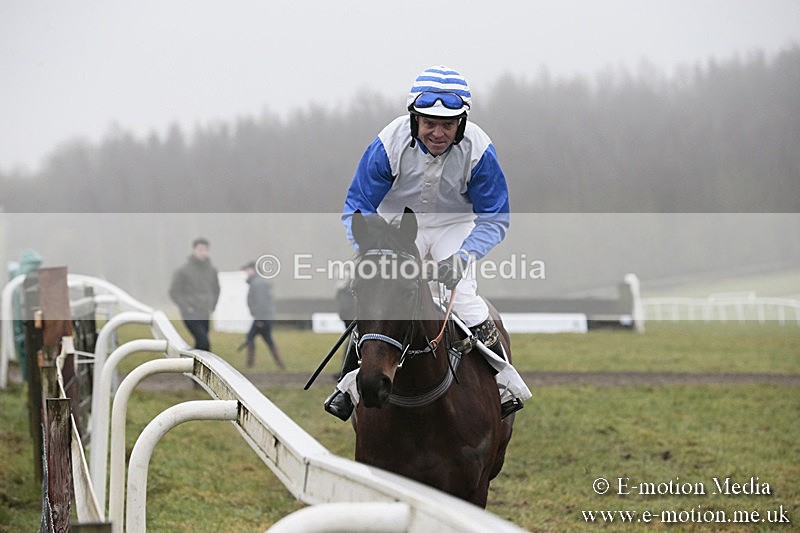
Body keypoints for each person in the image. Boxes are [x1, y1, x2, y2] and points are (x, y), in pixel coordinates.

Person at [324, 65, 531, 421]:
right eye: (429, 123)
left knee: (463, 297)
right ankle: (348, 386)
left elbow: (495, 217)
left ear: (461, 123)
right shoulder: (388, 143)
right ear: (414, 119)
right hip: (399, 227)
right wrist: (373, 250)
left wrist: (464, 256)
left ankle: (504, 380)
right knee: (381, 291)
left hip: (455, 227)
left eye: (447, 125)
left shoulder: (479, 149)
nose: (438, 133)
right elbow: (357, 206)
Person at [169, 237, 220, 351]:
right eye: (200, 249)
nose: (202, 252)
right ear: (194, 250)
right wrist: (186, 306)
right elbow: (174, 291)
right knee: (204, 342)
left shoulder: (212, 270)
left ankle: (192, 362)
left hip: (205, 311)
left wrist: (213, 304)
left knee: (201, 345)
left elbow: (216, 289)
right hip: (190, 313)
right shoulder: (183, 270)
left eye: (205, 250)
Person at [241, 261, 285, 369]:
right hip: (264, 317)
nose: (246, 272)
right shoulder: (258, 282)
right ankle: (280, 364)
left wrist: (259, 319)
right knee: (267, 339)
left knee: (251, 337)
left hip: (262, 318)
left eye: (247, 269)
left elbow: (261, 302)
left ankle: (249, 364)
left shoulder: (258, 283)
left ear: (253, 270)